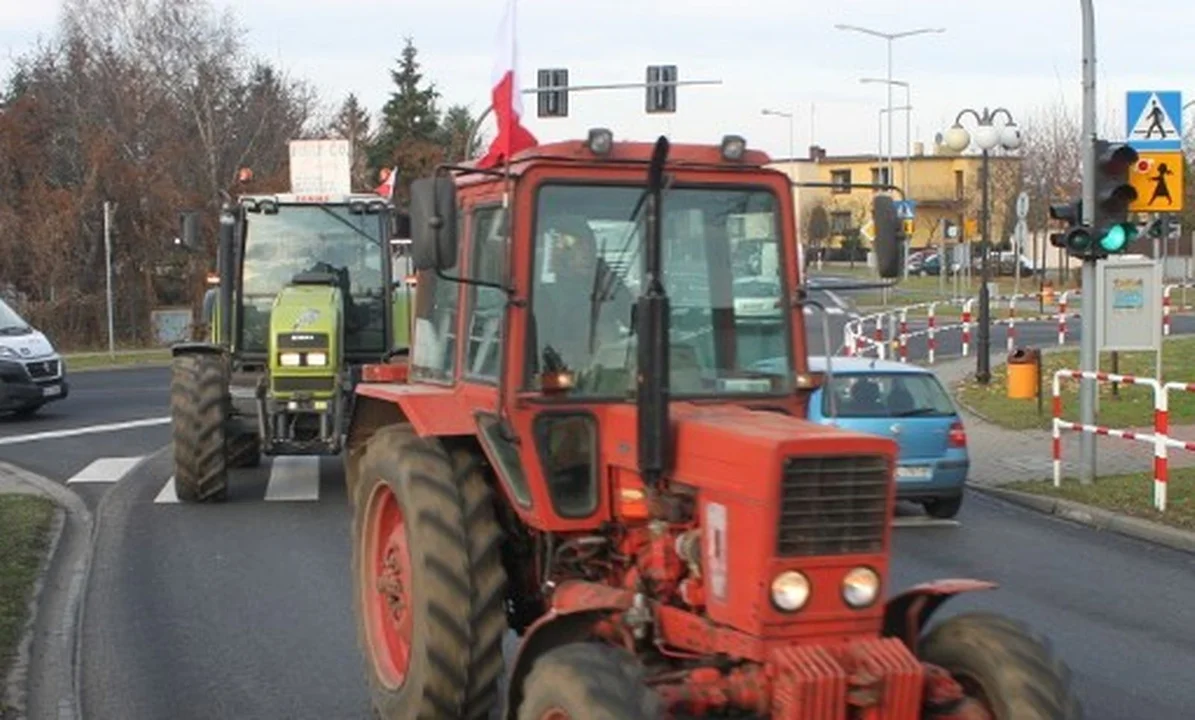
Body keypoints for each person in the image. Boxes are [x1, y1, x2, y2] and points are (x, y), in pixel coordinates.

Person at [533, 214, 633, 374]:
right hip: (562, 371)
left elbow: (633, 320)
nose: (585, 254)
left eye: (588, 246)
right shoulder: (546, 296)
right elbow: (540, 345)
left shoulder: (608, 285)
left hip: (606, 368)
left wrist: (607, 277)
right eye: (577, 246)